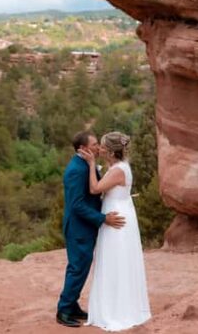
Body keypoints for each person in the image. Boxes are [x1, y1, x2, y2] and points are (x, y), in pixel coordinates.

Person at [80, 131, 151, 331]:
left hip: (115, 217)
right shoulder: (118, 167)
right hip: (120, 211)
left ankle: (116, 310)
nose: (99, 149)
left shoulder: (118, 170)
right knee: (117, 259)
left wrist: (92, 164)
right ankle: (118, 305)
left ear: (110, 152)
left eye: (102, 147)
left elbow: (95, 189)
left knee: (115, 260)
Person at [56, 130, 126, 328]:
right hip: (78, 228)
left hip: (85, 227)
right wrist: (103, 218)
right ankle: (63, 309)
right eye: (95, 144)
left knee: (82, 266)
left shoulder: (85, 164)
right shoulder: (76, 170)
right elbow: (76, 204)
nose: (98, 147)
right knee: (77, 268)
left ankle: (72, 305)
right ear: (83, 148)